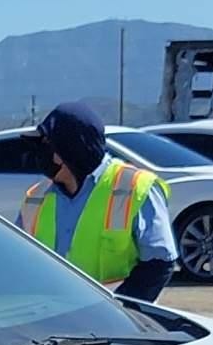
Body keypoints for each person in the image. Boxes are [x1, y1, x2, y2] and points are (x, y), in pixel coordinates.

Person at [13, 100, 176, 301]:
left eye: (47, 146)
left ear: (71, 150)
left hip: (116, 323)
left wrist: (123, 312)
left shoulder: (135, 187)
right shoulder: (36, 198)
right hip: (51, 320)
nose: (41, 154)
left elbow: (159, 264)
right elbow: (17, 262)